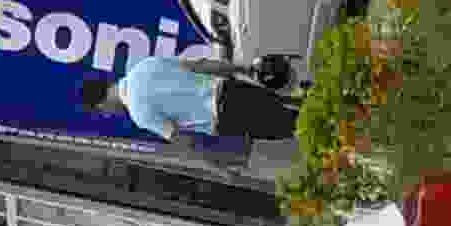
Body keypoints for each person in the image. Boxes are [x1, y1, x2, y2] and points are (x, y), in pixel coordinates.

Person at [79, 55, 298, 152]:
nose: (108, 114)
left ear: (102, 104)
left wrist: (216, 168)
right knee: (292, 105)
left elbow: (183, 140)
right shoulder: (144, 65)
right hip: (230, 89)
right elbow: (201, 66)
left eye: (103, 112)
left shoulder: (139, 114)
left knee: (293, 127)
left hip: (227, 118)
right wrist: (243, 69)